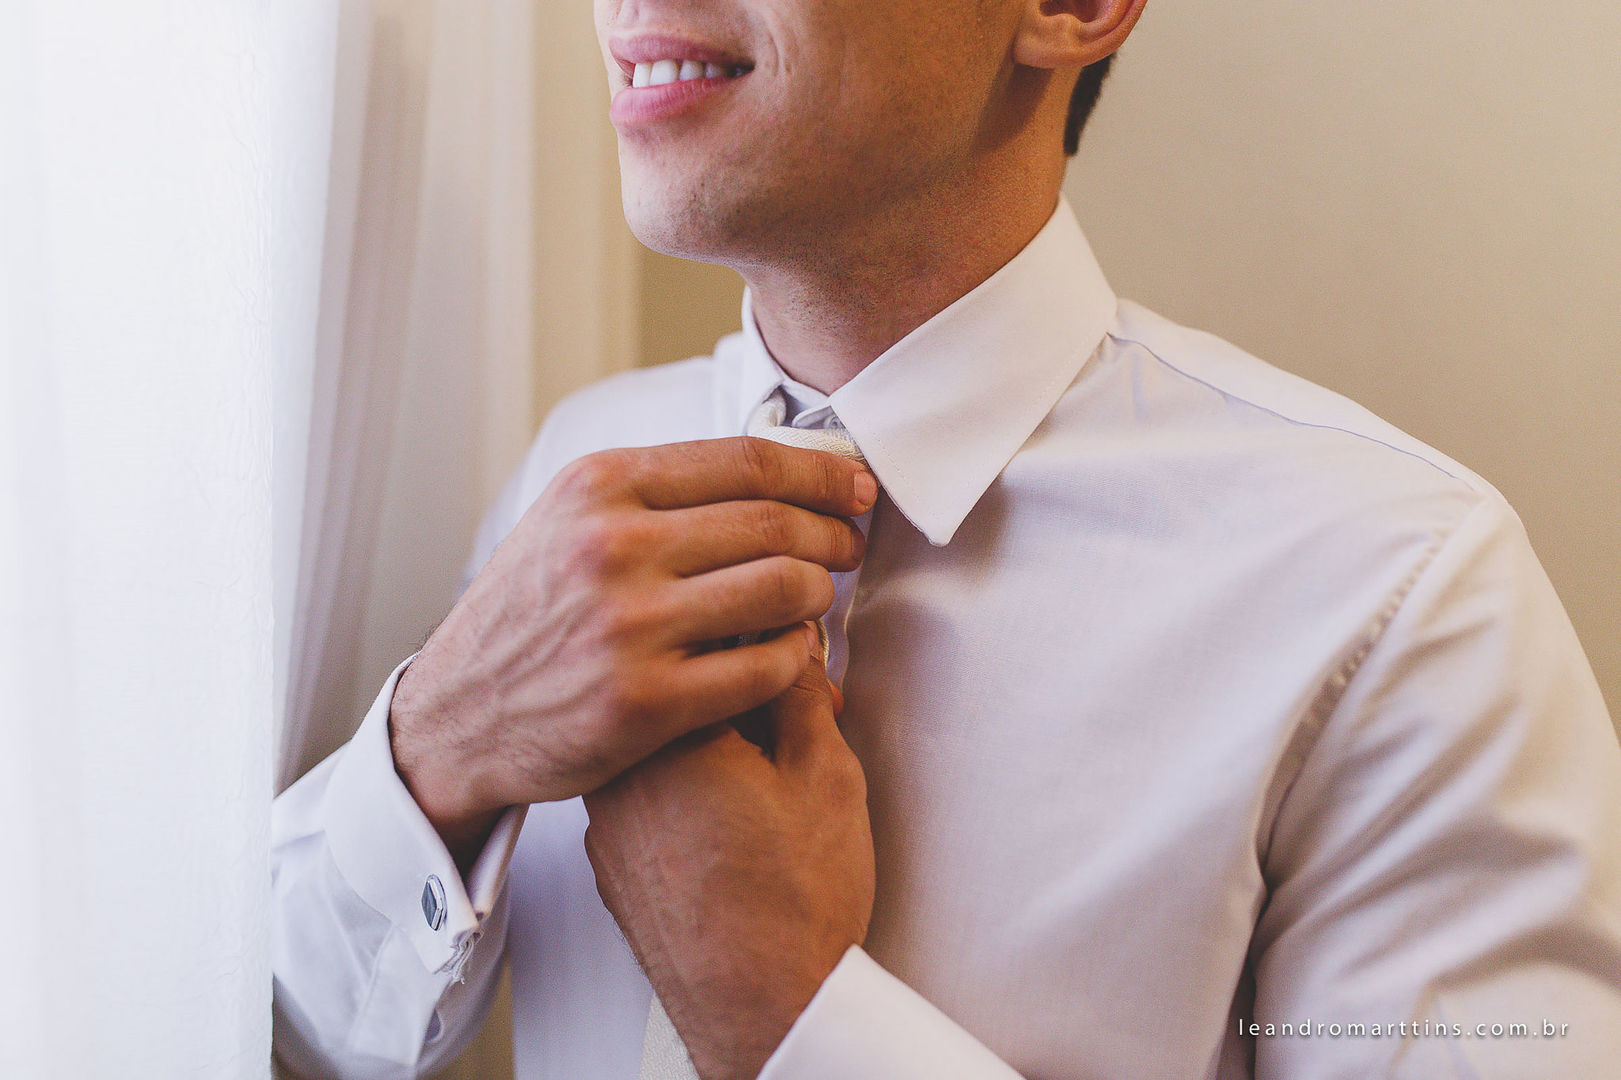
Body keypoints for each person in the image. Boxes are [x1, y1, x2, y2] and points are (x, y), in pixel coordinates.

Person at [270, 0, 1621, 1077]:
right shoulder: (581, 472)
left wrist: (785, 1018)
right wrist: (439, 741)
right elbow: (280, 1031)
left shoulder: (1394, 593)